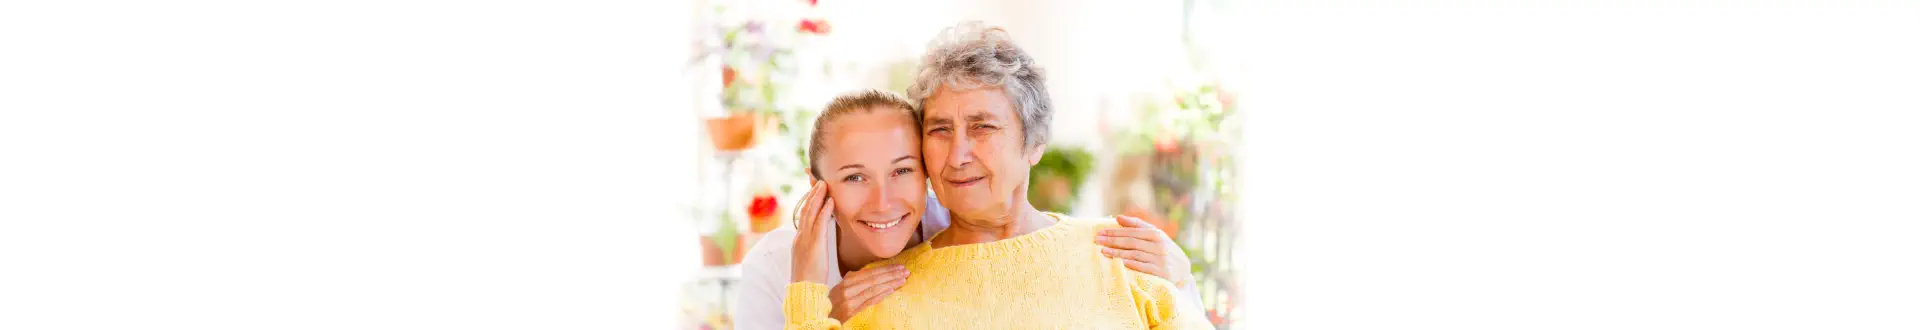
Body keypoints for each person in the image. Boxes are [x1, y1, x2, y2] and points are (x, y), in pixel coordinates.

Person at [781, 22, 1213, 329]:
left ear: (1035, 142)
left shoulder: (1119, 254)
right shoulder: (881, 291)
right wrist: (809, 300)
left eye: (982, 127)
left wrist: (1181, 279)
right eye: (940, 130)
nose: (958, 153)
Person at [734, 90, 1196, 329]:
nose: (883, 202)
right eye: (855, 177)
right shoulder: (774, 267)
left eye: (903, 170)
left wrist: (1180, 276)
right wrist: (816, 306)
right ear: (816, 185)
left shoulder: (949, 230)